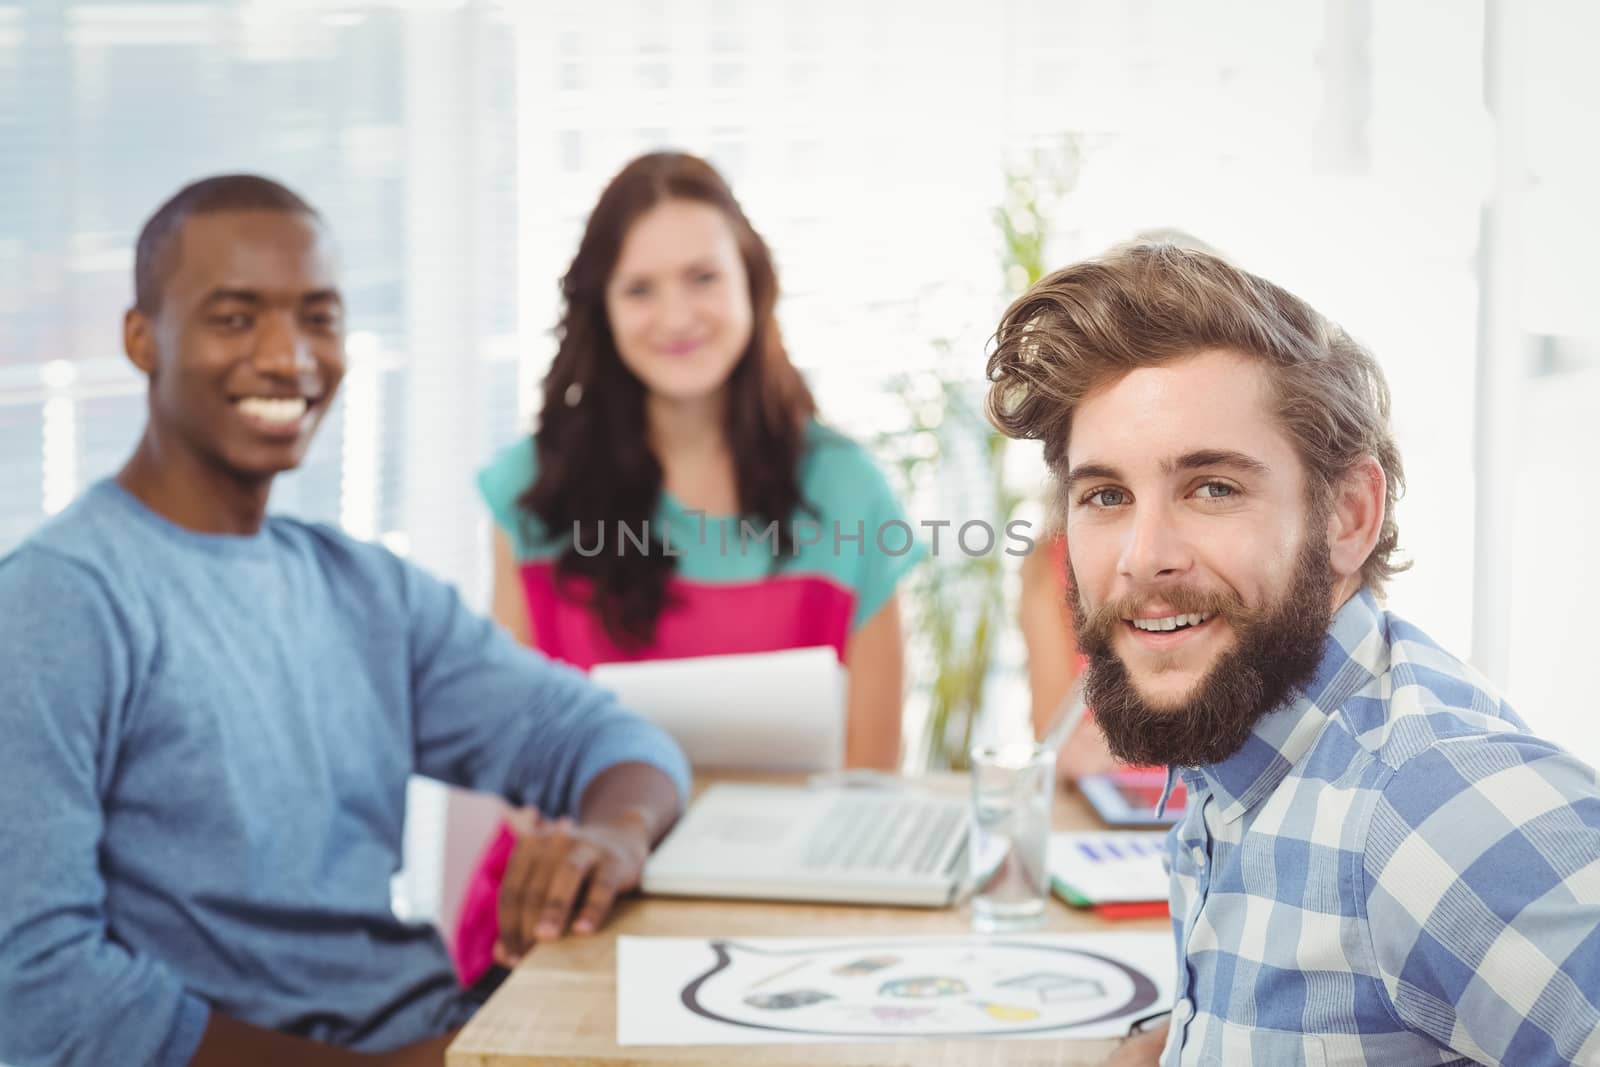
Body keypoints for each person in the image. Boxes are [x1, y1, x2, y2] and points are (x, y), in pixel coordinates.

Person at [0, 175, 691, 1067]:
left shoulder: (363, 589)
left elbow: (606, 737)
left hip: (441, 1030)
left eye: (318, 317)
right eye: (235, 317)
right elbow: (41, 995)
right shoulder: (58, 602)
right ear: (143, 338)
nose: (290, 357)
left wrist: (611, 834)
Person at [986, 242, 1600, 1065]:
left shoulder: (1433, 808)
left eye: (1212, 487)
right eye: (1106, 495)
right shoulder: (1240, 761)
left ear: (1348, 515)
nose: (1142, 555)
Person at [453, 151, 923, 984]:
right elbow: (516, 753)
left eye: (702, 276)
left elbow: (871, 778)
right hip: (576, 909)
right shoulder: (528, 495)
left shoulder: (848, 486)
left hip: (792, 912)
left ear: (751, 282)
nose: (676, 314)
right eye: (640, 288)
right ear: (601, 308)